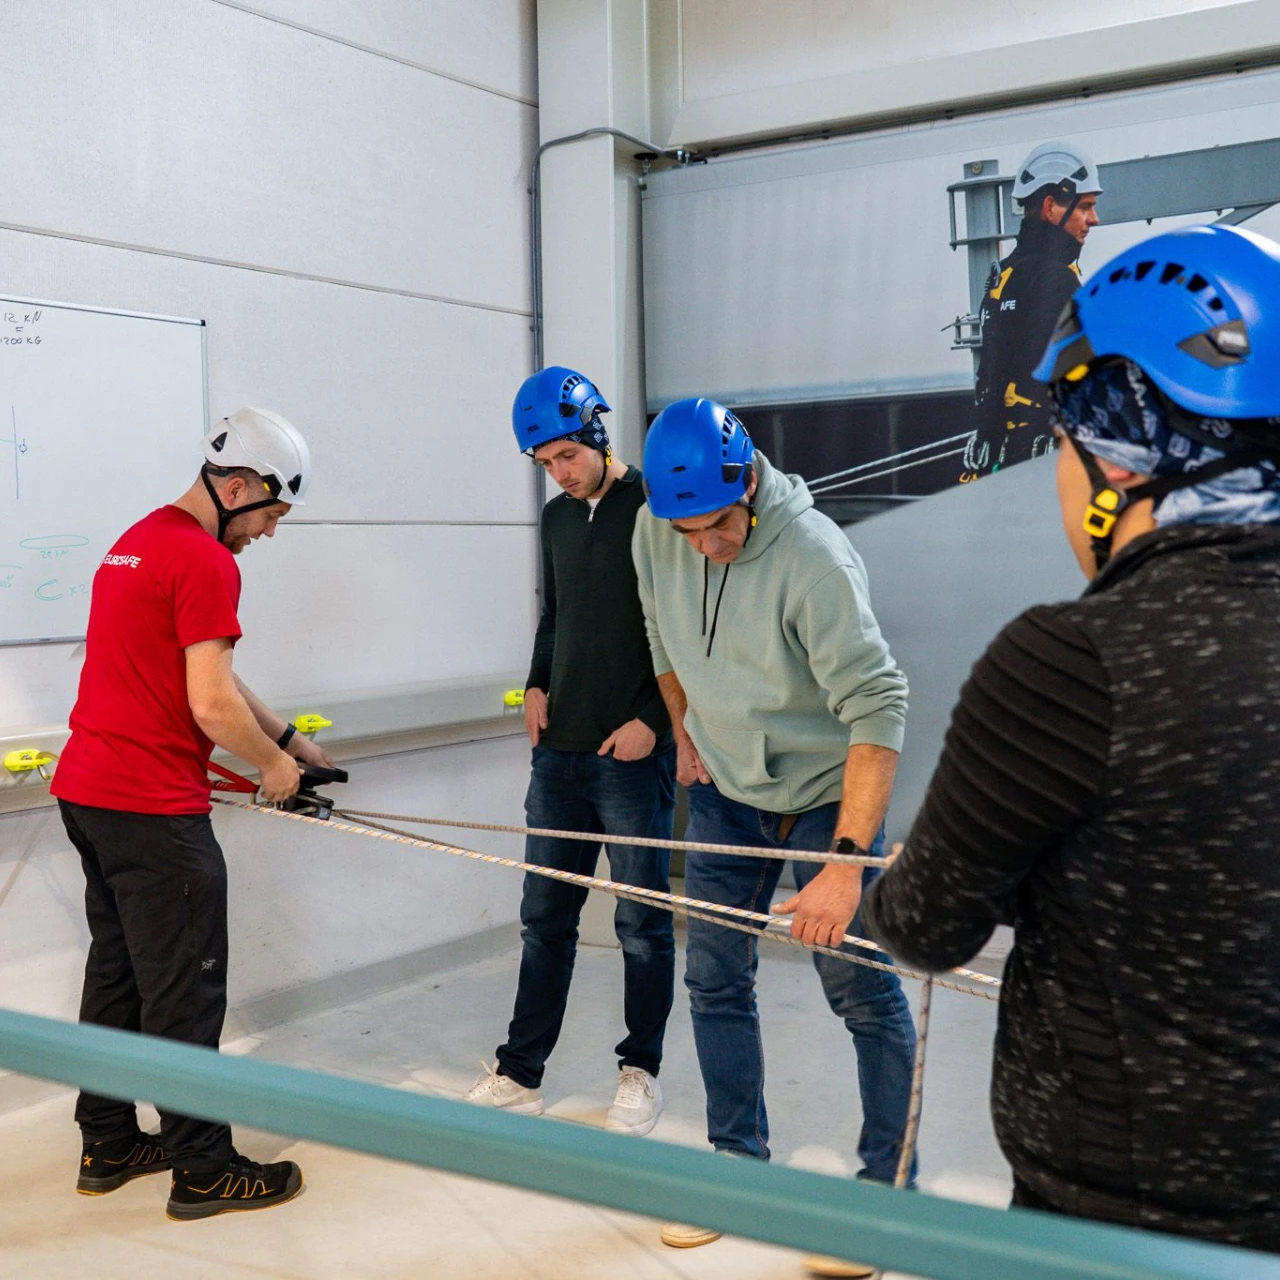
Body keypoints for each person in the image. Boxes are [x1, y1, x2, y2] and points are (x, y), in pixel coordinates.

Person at [864, 224, 1280, 1253]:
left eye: (1063, 441)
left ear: (1115, 455)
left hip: (1120, 1225)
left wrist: (924, 868)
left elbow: (924, 926)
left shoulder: (1069, 664)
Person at [633, 398, 915, 1272]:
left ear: (747, 483)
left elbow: (880, 706)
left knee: (860, 990)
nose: (704, 547)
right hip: (727, 790)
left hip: (830, 797)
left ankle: (887, 1193)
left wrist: (845, 865)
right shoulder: (656, 528)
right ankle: (737, 1165)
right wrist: (684, 730)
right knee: (713, 979)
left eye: (718, 525)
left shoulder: (815, 559)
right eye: (685, 532)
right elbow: (660, 634)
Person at [51, 407, 330, 1221]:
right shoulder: (207, 560)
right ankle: (203, 1169)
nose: (269, 532)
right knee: (186, 990)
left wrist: (288, 741)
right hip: (152, 810)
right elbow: (209, 704)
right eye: (271, 514)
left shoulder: (137, 542)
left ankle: (107, 1141)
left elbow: (204, 673)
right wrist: (273, 769)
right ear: (236, 486)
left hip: (90, 794)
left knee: (119, 975)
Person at [465, 366, 676, 1137]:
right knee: (545, 920)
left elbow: (687, 627)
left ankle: (640, 1072)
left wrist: (655, 721)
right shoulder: (557, 520)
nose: (559, 472)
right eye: (545, 462)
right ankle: (521, 1073)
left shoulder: (657, 508)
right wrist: (535, 683)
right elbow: (554, 616)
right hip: (558, 756)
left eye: (567, 456)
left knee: (642, 926)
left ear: (597, 434)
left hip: (632, 757)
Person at [962, 139, 1102, 480]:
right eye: (1085, 207)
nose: (1094, 219)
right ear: (1051, 207)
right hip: (1046, 465)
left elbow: (994, 378)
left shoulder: (1003, 275)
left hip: (1001, 459)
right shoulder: (1057, 280)